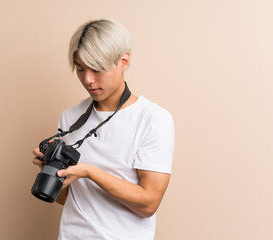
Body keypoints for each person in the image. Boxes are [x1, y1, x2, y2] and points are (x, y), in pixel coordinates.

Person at [32, 18, 175, 240]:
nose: (88, 80)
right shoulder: (70, 118)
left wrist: (90, 172)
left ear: (123, 62)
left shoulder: (154, 119)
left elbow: (149, 204)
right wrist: (50, 169)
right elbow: (65, 197)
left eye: (97, 69)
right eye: (80, 69)